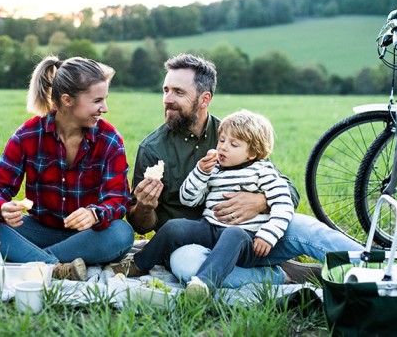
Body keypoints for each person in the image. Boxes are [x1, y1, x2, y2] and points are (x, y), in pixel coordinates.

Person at [125, 53, 363, 287]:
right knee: (189, 268)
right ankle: (281, 276)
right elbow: (141, 225)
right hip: (192, 243)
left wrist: (261, 202)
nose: (167, 99)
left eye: (178, 92)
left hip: (251, 236)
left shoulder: (232, 135)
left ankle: (381, 266)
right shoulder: (152, 148)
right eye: (166, 90)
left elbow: (286, 189)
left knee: (308, 228)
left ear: (204, 98)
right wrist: (145, 205)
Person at [0, 56, 134, 281]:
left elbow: (118, 199)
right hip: (38, 232)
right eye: (97, 100)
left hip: (87, 237)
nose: (105, 108)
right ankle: (53, 266)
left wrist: (94, 213)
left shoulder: (109, 139)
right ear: (67, 100)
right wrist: (1, 207)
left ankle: (29, 262)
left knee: (121, 233)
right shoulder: (28, 135)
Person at [113, 109, 295, 297]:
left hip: (246, 239)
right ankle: (137, 265)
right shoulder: (215, 168)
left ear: (252, 153)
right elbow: (188, 199)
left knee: (234, 233)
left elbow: (284, 204)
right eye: (222, 140)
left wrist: (268, 235)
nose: (223, 147)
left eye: (233, 144)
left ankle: (203, 284)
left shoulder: (263, 171)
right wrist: (200, 172)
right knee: (175, 226)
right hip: (211, 228)